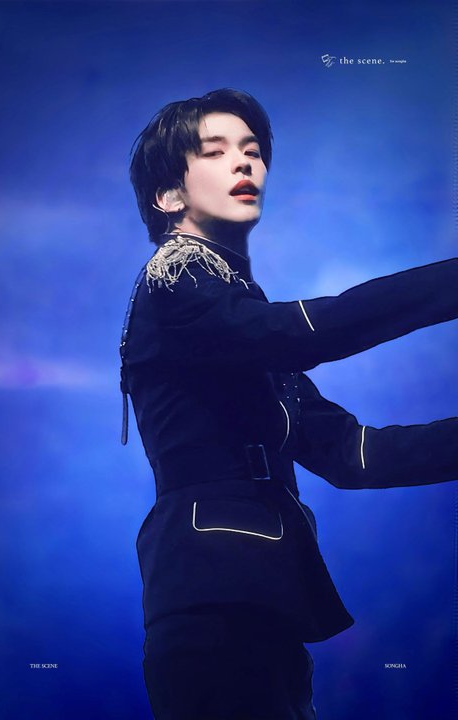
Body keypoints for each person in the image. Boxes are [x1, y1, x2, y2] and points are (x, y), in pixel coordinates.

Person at [120, 88, 458, 720]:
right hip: (213, 601)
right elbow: (311, 333)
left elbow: (355, 455)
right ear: (168, 196)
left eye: (252, 151)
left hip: (268, 607)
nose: (244, 162)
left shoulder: (237, 320)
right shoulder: (177, 284)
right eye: (215, 151)